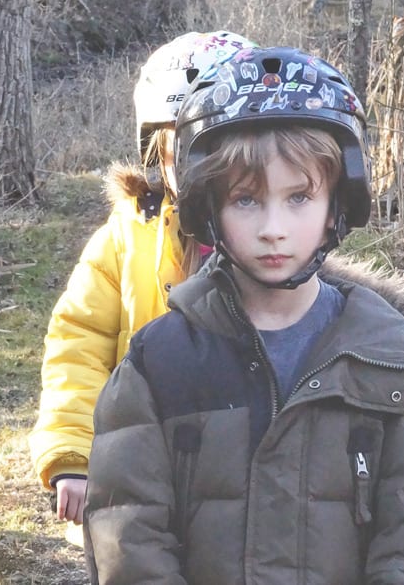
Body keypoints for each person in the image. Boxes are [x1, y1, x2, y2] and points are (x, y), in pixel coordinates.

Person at [83, 46, 404, 583]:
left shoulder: (395, 367)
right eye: (246, 200)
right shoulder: (158, 364)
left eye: (299, 197)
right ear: (209, 207)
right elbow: (128, 536)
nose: (273, 227)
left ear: (338, 202)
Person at [28, 30, 258, 542]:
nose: (205, 167)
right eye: (188, 147)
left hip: (248, 476)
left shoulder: (273, 242)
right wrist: (73, 454)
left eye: (220, 145)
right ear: (160, 150)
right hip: (140, 461)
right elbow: (77, 345)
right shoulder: (127, 236)